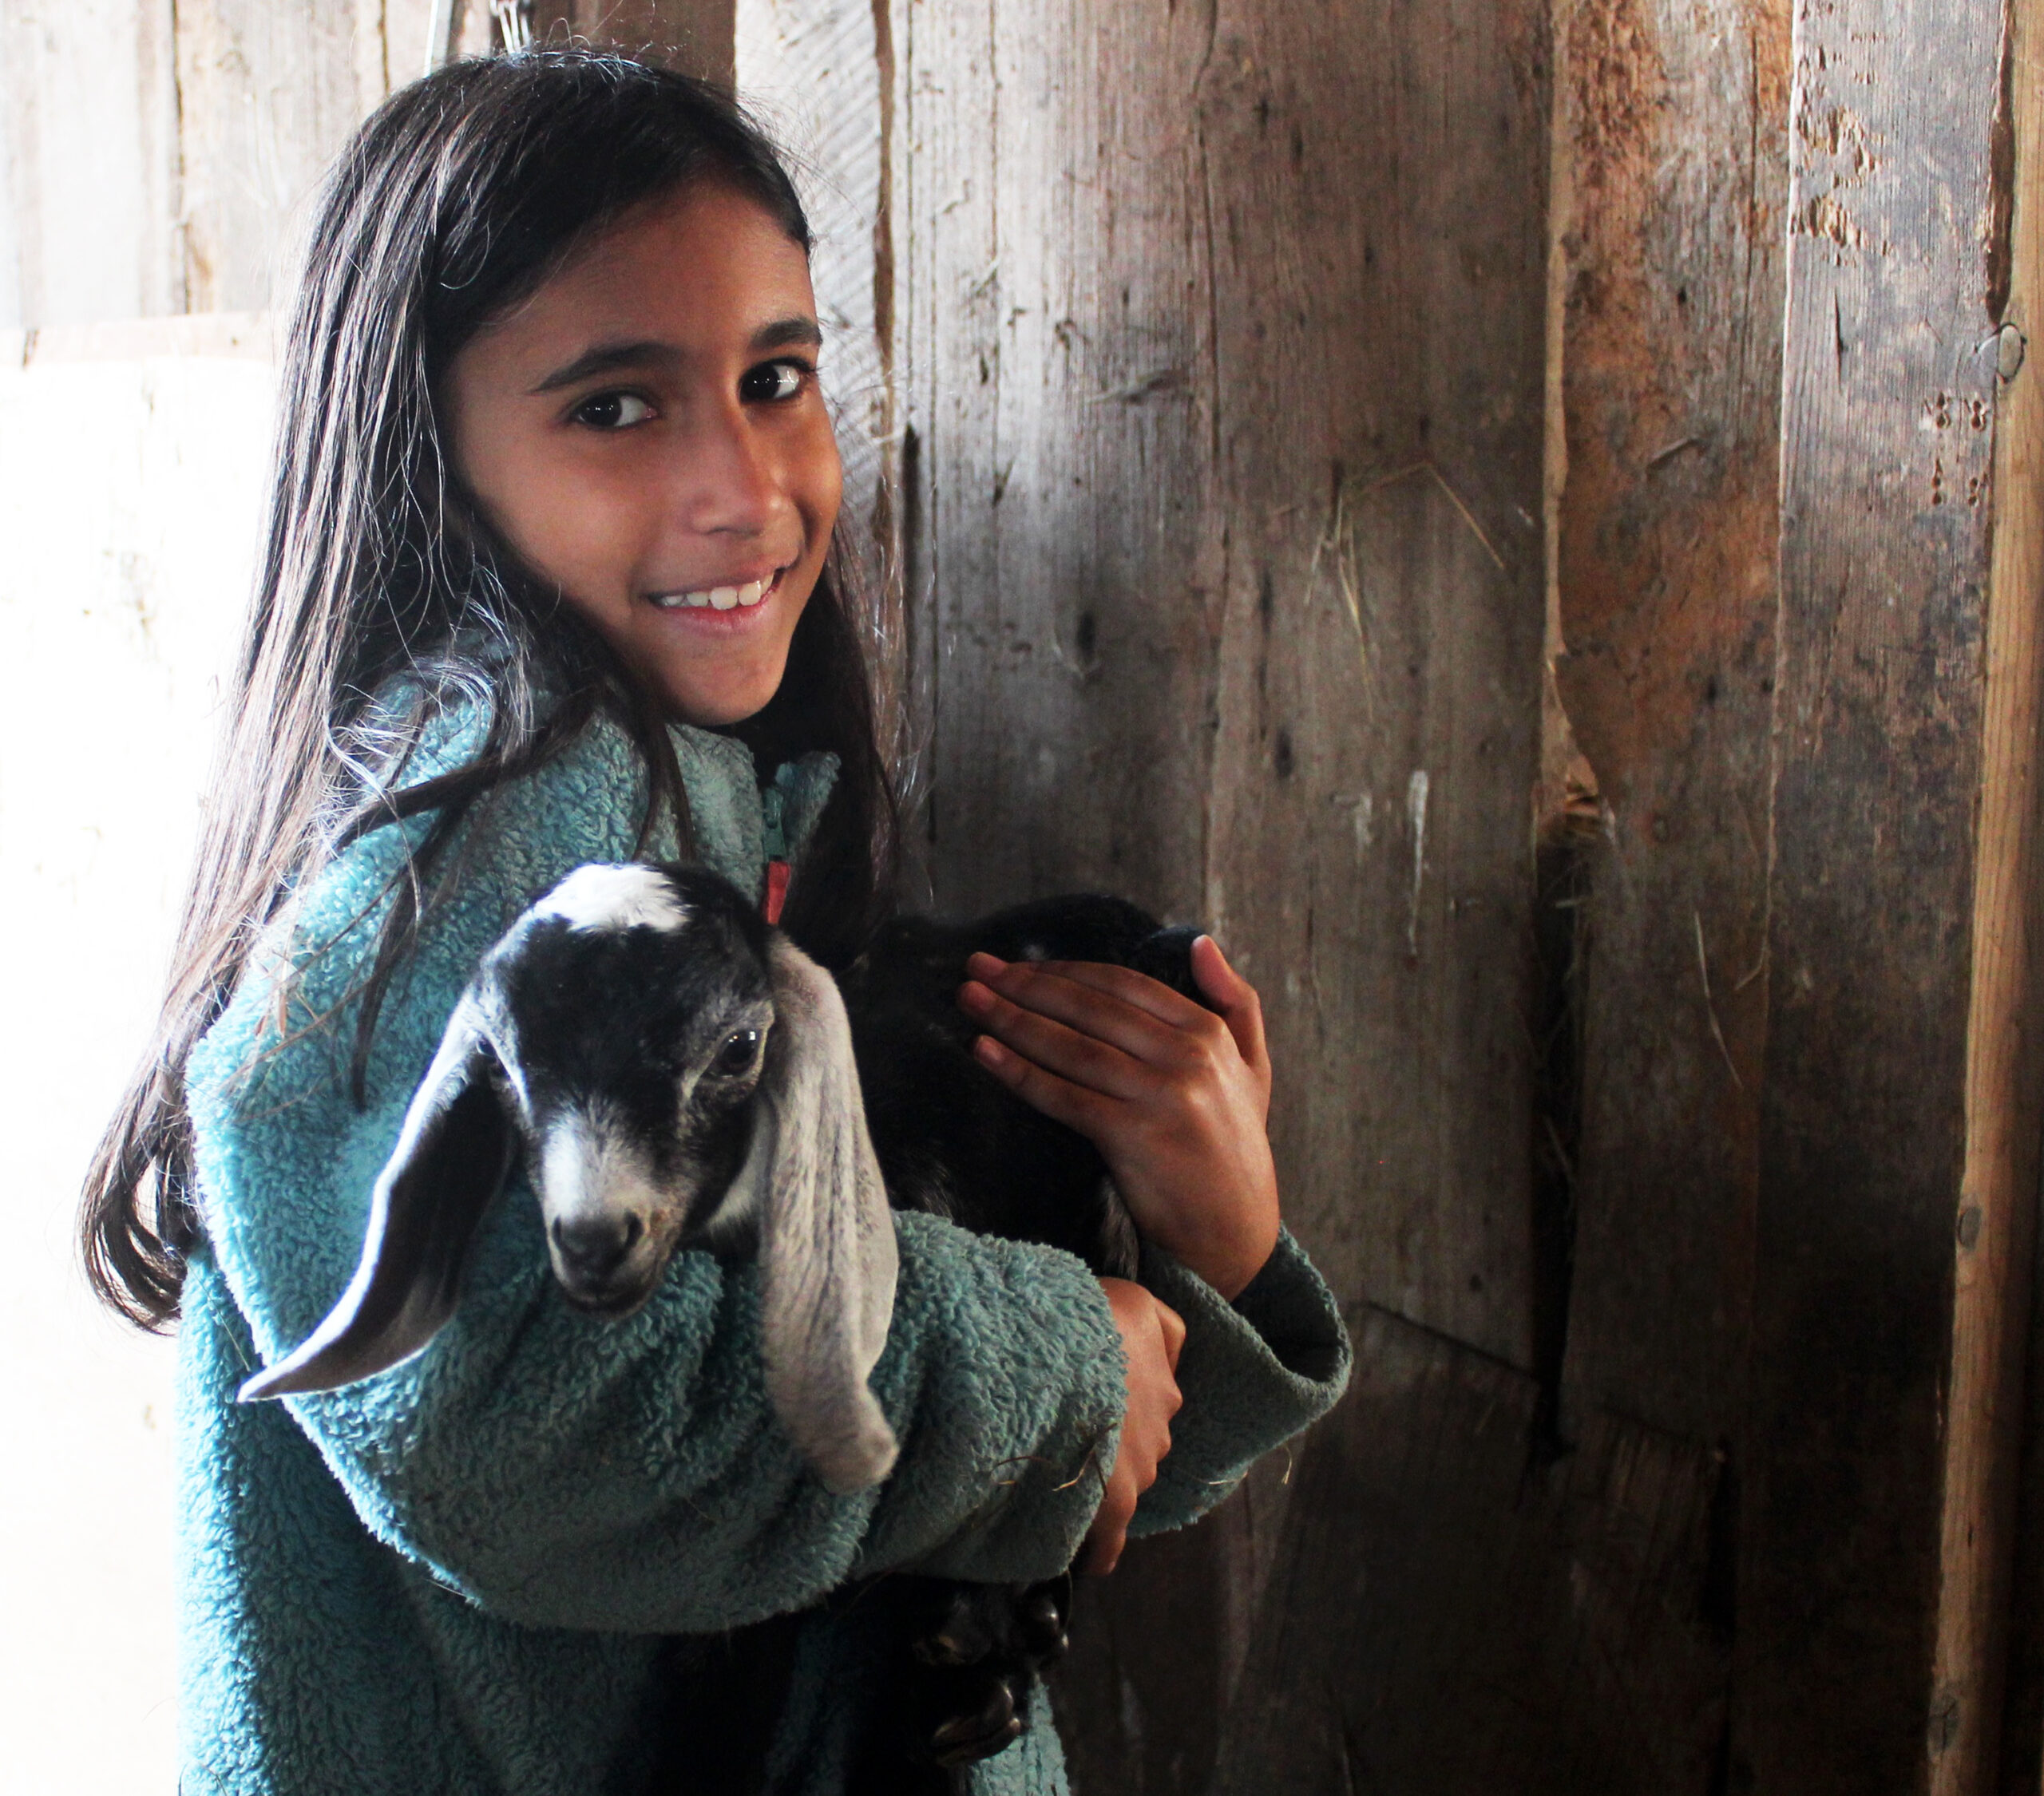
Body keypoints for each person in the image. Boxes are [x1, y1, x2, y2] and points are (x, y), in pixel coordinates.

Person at [79, 49, 1349, 1796]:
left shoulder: (729, 805)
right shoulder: (507, 792)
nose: (740, 485)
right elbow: (514, 1436)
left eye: (776, 378)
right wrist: (1062, 1357)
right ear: (421, 442)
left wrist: (1205, 1259)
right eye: (615, 405)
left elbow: (975, 1500)